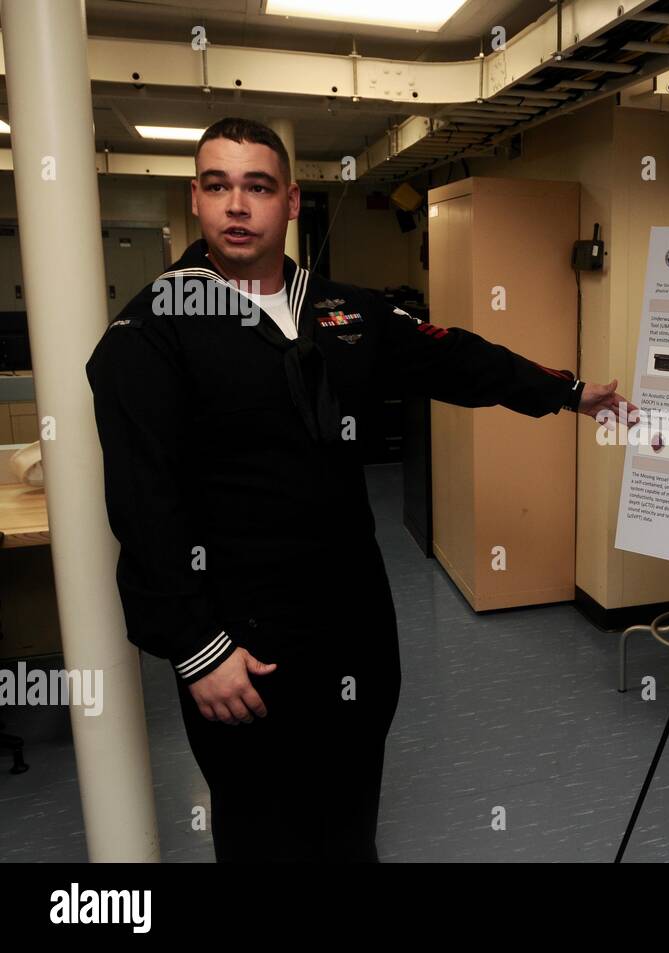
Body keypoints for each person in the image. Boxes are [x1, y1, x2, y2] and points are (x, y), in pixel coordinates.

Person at [85, 117, 636, 862]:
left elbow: (455, 359)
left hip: (352, 621)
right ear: (195, 199)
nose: (237, 206)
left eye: (257, 186)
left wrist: (567, 392)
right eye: (218, 187)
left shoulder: (341, 311)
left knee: (349, 813)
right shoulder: (153, 330)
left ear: (290, 201)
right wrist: (194, 648)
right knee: (262, 829)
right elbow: (144, 500)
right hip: (243, 636)